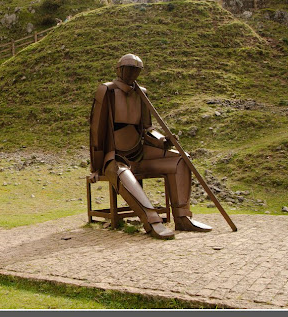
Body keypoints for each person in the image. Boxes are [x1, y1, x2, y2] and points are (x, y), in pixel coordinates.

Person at [89, 54, 212, 239]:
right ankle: (152, 221)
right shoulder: (106, 91)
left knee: (181, 159)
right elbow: (96, 131)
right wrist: (97, 168)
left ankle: (183, 217)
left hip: (140, 154)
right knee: (122, 172)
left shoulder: (142, 93)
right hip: (114, 157)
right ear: (119, 70)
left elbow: (147, 129)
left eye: (136, 70)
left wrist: (163, 142)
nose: (131, 74)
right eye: (128, 69)